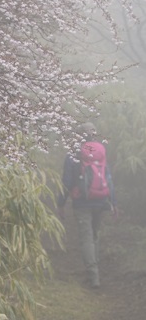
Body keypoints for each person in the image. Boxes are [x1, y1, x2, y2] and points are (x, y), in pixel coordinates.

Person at [57, 121, 117, 289]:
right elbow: (108, 177)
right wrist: (113, 202)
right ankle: (93, 271)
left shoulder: (72, 155)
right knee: (95, 236)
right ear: (94, 134)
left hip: (82, 203)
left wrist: (60, 203)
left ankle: (93, 277)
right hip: (101, 201)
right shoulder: (101, 153)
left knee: (86, 239)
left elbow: (67, 182)